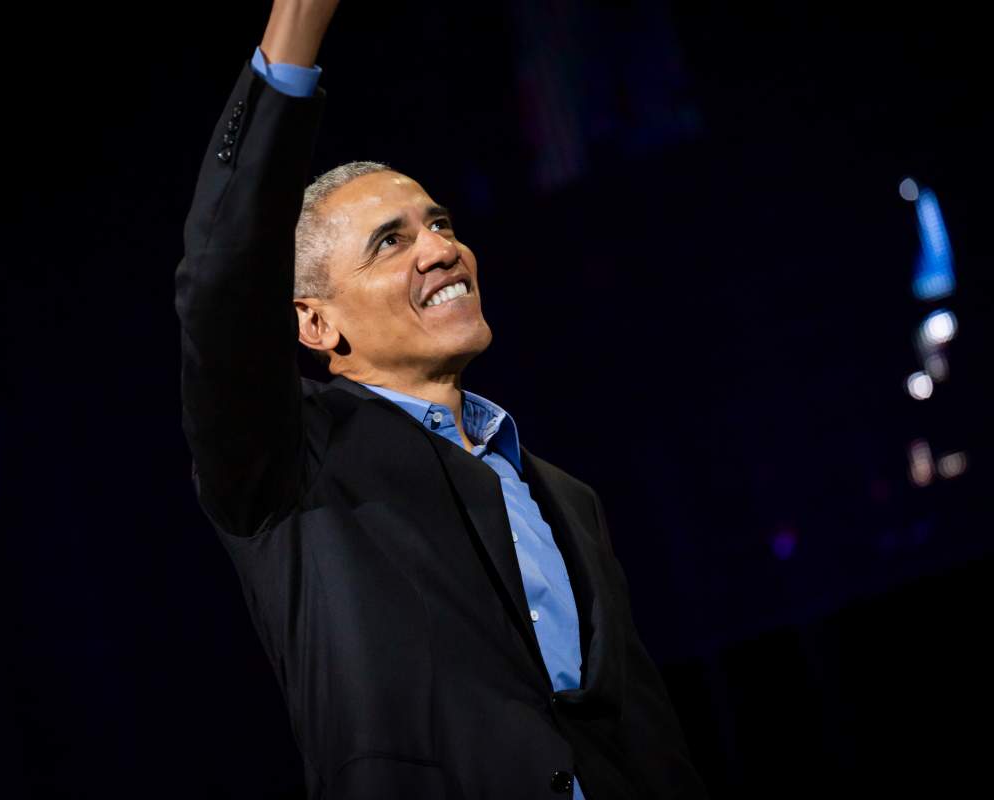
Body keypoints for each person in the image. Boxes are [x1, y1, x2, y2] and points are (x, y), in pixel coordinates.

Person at [175, 1, 707, 797]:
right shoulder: (292, 464)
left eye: (440, 223)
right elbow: (223, 282)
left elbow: (645, 734)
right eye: (391, 241)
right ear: (314, 323)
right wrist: (296, 29)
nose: (440, 248)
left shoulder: (565, 496)